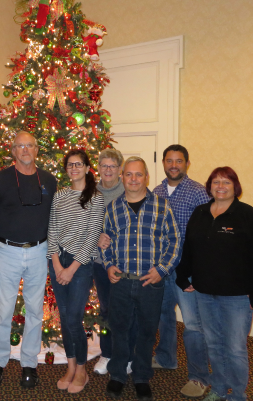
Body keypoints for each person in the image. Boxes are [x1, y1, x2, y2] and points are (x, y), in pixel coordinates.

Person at [176, 167, 253, 401]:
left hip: (237, 297)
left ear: (235, 187)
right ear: (209, 186)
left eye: (226, 182)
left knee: (235, 349)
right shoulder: (200, 213)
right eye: (216, 182)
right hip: (204, 293)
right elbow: (189, 250)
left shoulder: (247, 215)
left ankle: (237, 394)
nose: (220, 186)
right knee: (214, 344)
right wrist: (182, 276)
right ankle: (219, 389)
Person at [100, 156, 180, 401]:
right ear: (122, 177)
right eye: (129, 174)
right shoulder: (113, 208)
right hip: (121, 282)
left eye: (138, 174)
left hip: (150, 282)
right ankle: (118, 375)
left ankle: (142, 376)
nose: (133, 179)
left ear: (146, 177)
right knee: (120, 329)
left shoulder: (162, 207)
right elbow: (105, 242)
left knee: (146, 331)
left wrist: (162, 270)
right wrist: (109, 264)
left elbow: (174, 242)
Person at [0, 131, 57, 388]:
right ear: (13, 151)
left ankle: (29, 365)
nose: (25, 150)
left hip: (39, 251)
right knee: (2, 312)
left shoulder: (49, 180)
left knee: (35, 311)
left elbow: (56, 220)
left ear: (37, 150)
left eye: (30, 145)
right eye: (20, 146)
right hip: (6, 252)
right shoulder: (1, 179)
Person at [151, 145, 211, 398]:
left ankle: (199, 377)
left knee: (193, 325)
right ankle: (166, 358)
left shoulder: (199, 193)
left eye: (179, 161)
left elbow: (206, 236)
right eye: (169, 160)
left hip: (186, 273)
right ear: (163, 163)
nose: (173, 165)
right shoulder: (156, 192)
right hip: (162, 270)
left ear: (187, 163)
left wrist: (198, 272)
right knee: (164, 317)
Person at [47, 150, 105, 394]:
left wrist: (71, 269)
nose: (74, 168)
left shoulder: (96, 198)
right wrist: (57, 263)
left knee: (73, 319)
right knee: (63, 316)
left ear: (87, 167)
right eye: (70, 165)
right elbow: (51, 230)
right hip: (58, 260)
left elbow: (92, 237)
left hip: (81, 265)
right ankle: (70, 367)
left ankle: (81, 369)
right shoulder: (59, 195)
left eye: (78, 164)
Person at [92, 148, 125, 376]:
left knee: (127, 311)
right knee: (106, 310)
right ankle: (107, 353)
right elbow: (80, 225)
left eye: (113, 166)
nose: (108, 170)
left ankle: (128, 355)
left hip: (126, 263)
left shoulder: (131, 189)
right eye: (104, 165)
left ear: (120, 169)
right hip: (99, 263)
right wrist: (97, 237)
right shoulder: (90, 192)